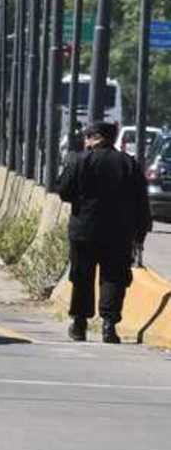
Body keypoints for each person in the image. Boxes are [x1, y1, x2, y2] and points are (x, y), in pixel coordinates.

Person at [53, 120, 151, 344]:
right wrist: (140, 234)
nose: (86, 141)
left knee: (81, 277)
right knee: (114, 278)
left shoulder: (80, 160)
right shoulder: (129, 163)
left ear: (95, 138)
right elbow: (141, 203)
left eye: (88, 137)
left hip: (84, 231)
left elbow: (64, 191)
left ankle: (79, 324)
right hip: (119, 233)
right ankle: (109, 326)